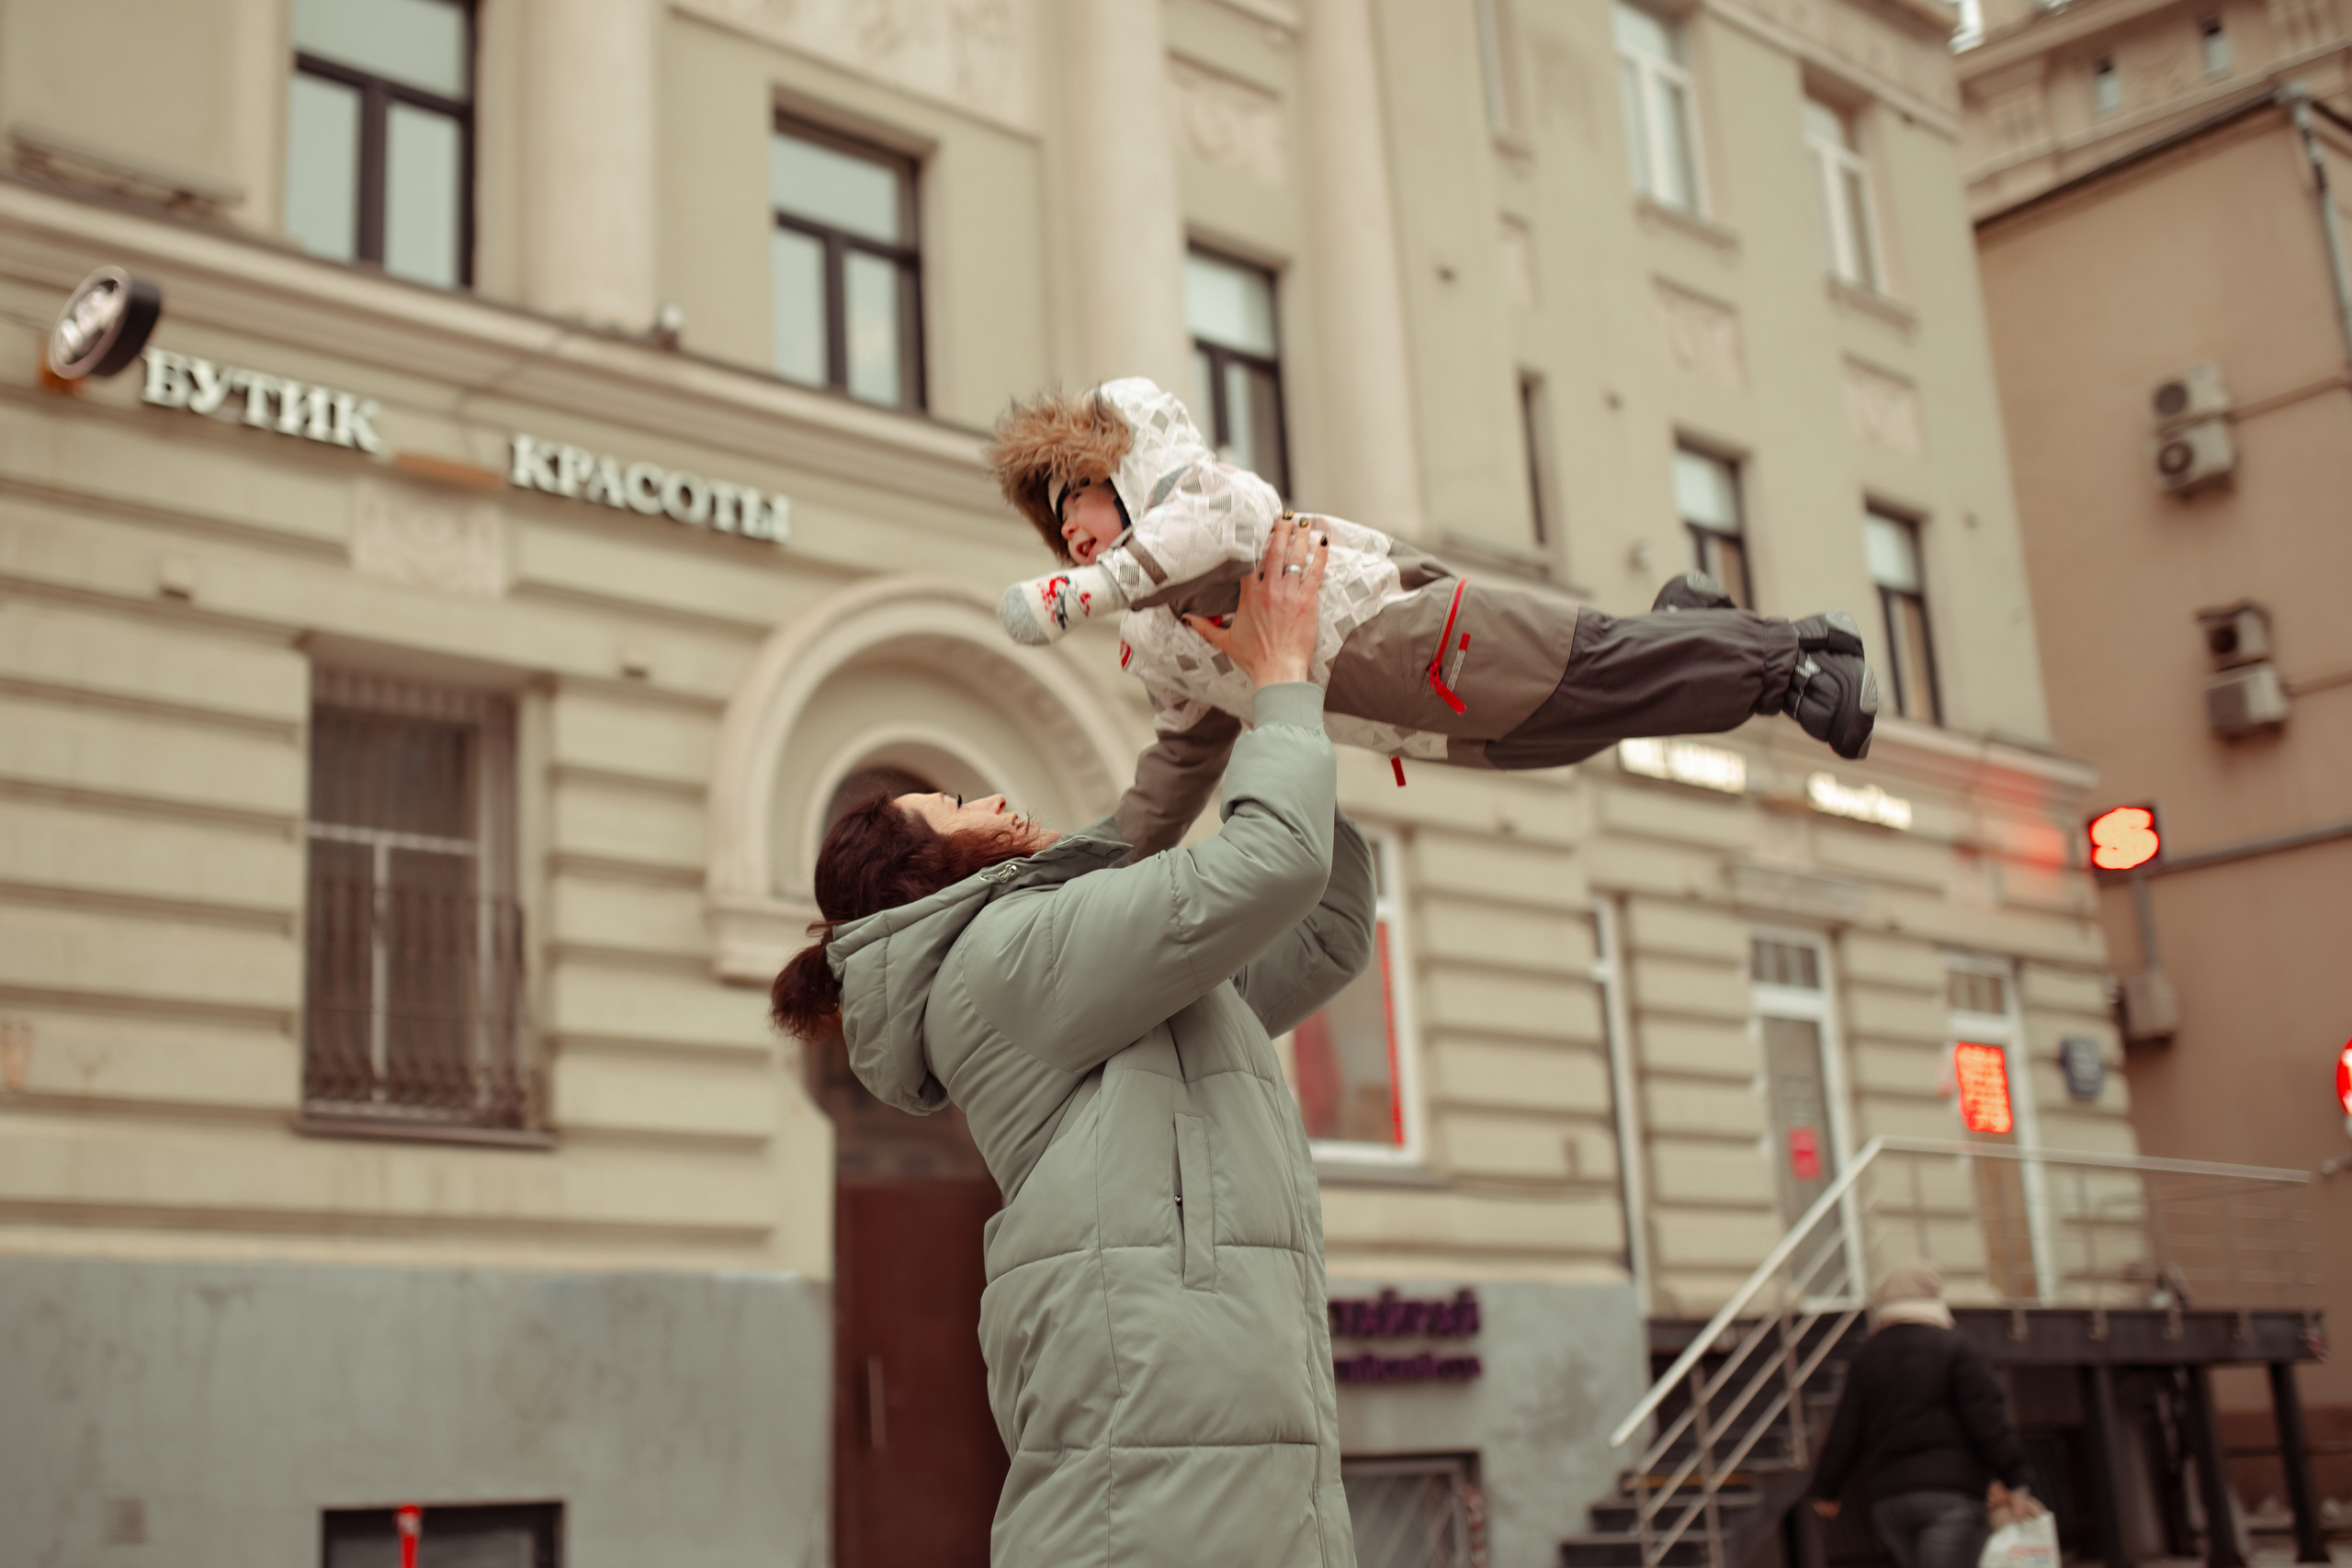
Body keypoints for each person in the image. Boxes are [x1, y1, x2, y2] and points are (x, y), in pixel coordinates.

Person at [772, 520, 1369, 1567]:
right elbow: (1272, 860)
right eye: (955, 805)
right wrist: (1278, 686)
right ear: (925, 876)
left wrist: (1309, 719)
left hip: (1212, 1433)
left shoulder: (1070, 967)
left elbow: (1318, 931)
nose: (993, 798)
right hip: (1164, 1448)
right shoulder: (1006, 958)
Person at [985, 378, 1881, 857]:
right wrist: (1094, 863)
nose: (1069, 532)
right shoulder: (1152, 641)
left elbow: (1214, 524)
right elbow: (1178, 763)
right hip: (1417, 726)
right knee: (1599, 716)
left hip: (1424, 637)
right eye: (1057, 534)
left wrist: (1064, 599)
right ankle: (1690, 623)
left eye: (1078, 502)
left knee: (1596, 673)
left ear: (1124, 477)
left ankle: (1796, 658)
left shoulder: (1209, 507)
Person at [1811, 1263, 2041, 1568]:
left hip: (1890, 1502)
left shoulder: (1867, 1355)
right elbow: (1987, 1419)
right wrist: (2015, 1479)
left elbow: (1846, 1426)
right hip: (1951, 1497)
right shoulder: (1957, 1347)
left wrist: (1828, 1487)